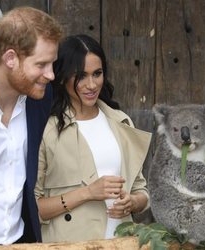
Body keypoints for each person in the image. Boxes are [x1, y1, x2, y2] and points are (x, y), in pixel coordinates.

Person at [35, 34, 152, 242]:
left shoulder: (121, 121)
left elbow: (141, 191)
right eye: (81, 76)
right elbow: (33, 208)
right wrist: (87, 193)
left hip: (121, 242)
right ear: (62, 77)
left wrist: (133, 202)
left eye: (97, 74)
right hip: (70, 244)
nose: (91, 84)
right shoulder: (47, 130)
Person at [0, 7, 62, 245]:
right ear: (11, 58)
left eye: (52, 64)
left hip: (22, 240)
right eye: (41, 64)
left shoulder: (40, 99)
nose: (51, 74)